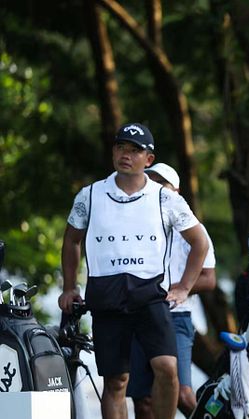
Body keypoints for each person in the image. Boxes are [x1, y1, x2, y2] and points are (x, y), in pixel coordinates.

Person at [59, 123, 209, 419]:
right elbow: (71, 240)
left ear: (148, 159)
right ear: (113, 151)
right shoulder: (89, 196)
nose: (126, 155)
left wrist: (183, 287)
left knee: (167, 368)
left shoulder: (165, 198)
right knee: (116, 382)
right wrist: (69, 286)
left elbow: (200, 243)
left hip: (150, 295)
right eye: (120, 148)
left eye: (134, 150)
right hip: (107, 297)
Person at [126, 163, 217, 418]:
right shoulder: (134, 226)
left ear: (176, 191)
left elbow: (209, 279)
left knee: (182, 394)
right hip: (139, 316)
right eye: (150, 183)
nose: (154, 190)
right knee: (142, 401)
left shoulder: (194, 229)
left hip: (176, 317)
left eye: (161, 184)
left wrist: (176, 289)